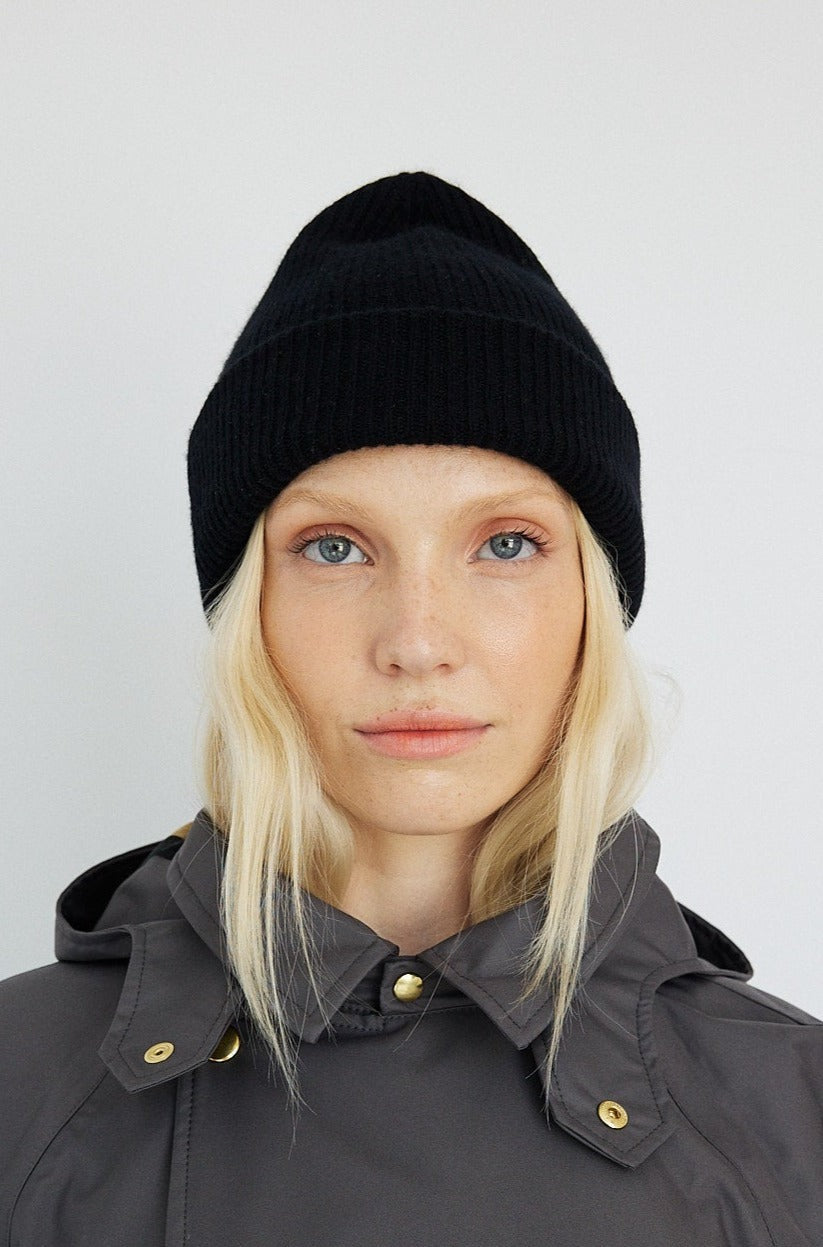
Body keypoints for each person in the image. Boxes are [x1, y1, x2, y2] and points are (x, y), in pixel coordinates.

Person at [1, 170, 820, 1246]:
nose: (419, 640)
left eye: (505, 544)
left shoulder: (791, 1119)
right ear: (248, 611)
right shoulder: (21, 1094)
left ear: (592, 602)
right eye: (334, 548)